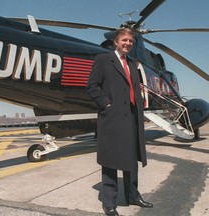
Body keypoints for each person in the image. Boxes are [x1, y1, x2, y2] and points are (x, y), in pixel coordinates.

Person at [86, 28, 153, 216]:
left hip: (132, 117)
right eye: (124, 40)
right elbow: (92, 86)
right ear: (115, 42)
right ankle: (109, 203)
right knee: (110, 160)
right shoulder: (103, 60)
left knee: (132, 160)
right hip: (113, 118)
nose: (128, 43)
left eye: (131, 41)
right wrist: (106, 105)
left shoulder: (132, 63)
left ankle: (133, 195)